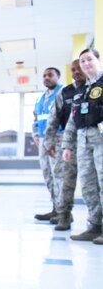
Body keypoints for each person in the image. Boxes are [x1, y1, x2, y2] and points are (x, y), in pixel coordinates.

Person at [63, 48, 103, 243]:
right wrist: (67, 146)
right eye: (82, 61)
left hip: (101, 139)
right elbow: (72, 120)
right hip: (83, 140)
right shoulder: (81, 90)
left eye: (89, 60)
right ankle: (94, 226)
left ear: (98, 60)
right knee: (88, 185)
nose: (86, 64)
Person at [43, 60, 83, 230]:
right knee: (65, 180)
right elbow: (53, 119)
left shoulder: (97, 88)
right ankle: (64, 215)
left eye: (79, 68)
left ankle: (97, 223)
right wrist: (49, 141)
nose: (76, 72)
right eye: (73, 70)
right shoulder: (66, 93)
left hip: (94, 140)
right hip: (68, 142)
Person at [32, 67, 63, 222]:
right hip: (43, 141)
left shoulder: (63, 93)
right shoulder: (40, 98)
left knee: (59, 176)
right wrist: (35, 134)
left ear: (58, 76)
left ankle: (64, 213)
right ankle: (55, 209)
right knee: (48, 175)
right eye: (44, 75)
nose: (46, 78)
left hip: (58, 140)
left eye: (50, 75)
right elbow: (36, 118)